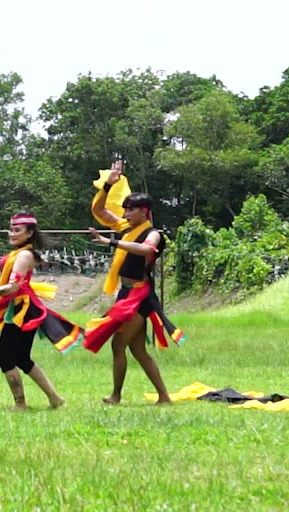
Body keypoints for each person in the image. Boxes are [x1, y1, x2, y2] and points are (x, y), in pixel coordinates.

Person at [84, 159, 184, 405]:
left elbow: (146, 249)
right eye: (125, 210)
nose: (126, 214)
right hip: (127, 294)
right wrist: (108, 186)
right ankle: (164, 397)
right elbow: (99, 210)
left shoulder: (153, 233)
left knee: (118, 345)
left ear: (144, 212)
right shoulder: (126, 228)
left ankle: (116, 396)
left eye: (131, 210)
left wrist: (111, 242)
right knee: (137, 350)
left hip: (139, 296)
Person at [0, 212, 81, 411]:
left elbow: (12, 288)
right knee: (21, 359)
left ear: (30, 233)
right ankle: (55, 398)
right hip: (20, 309)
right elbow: (4, 285)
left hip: (22, 311)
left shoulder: (24, 255)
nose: (12, 233)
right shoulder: (18, 254)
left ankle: (21, 404)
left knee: (5, 357)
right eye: (11, 229)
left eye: (17, 230)